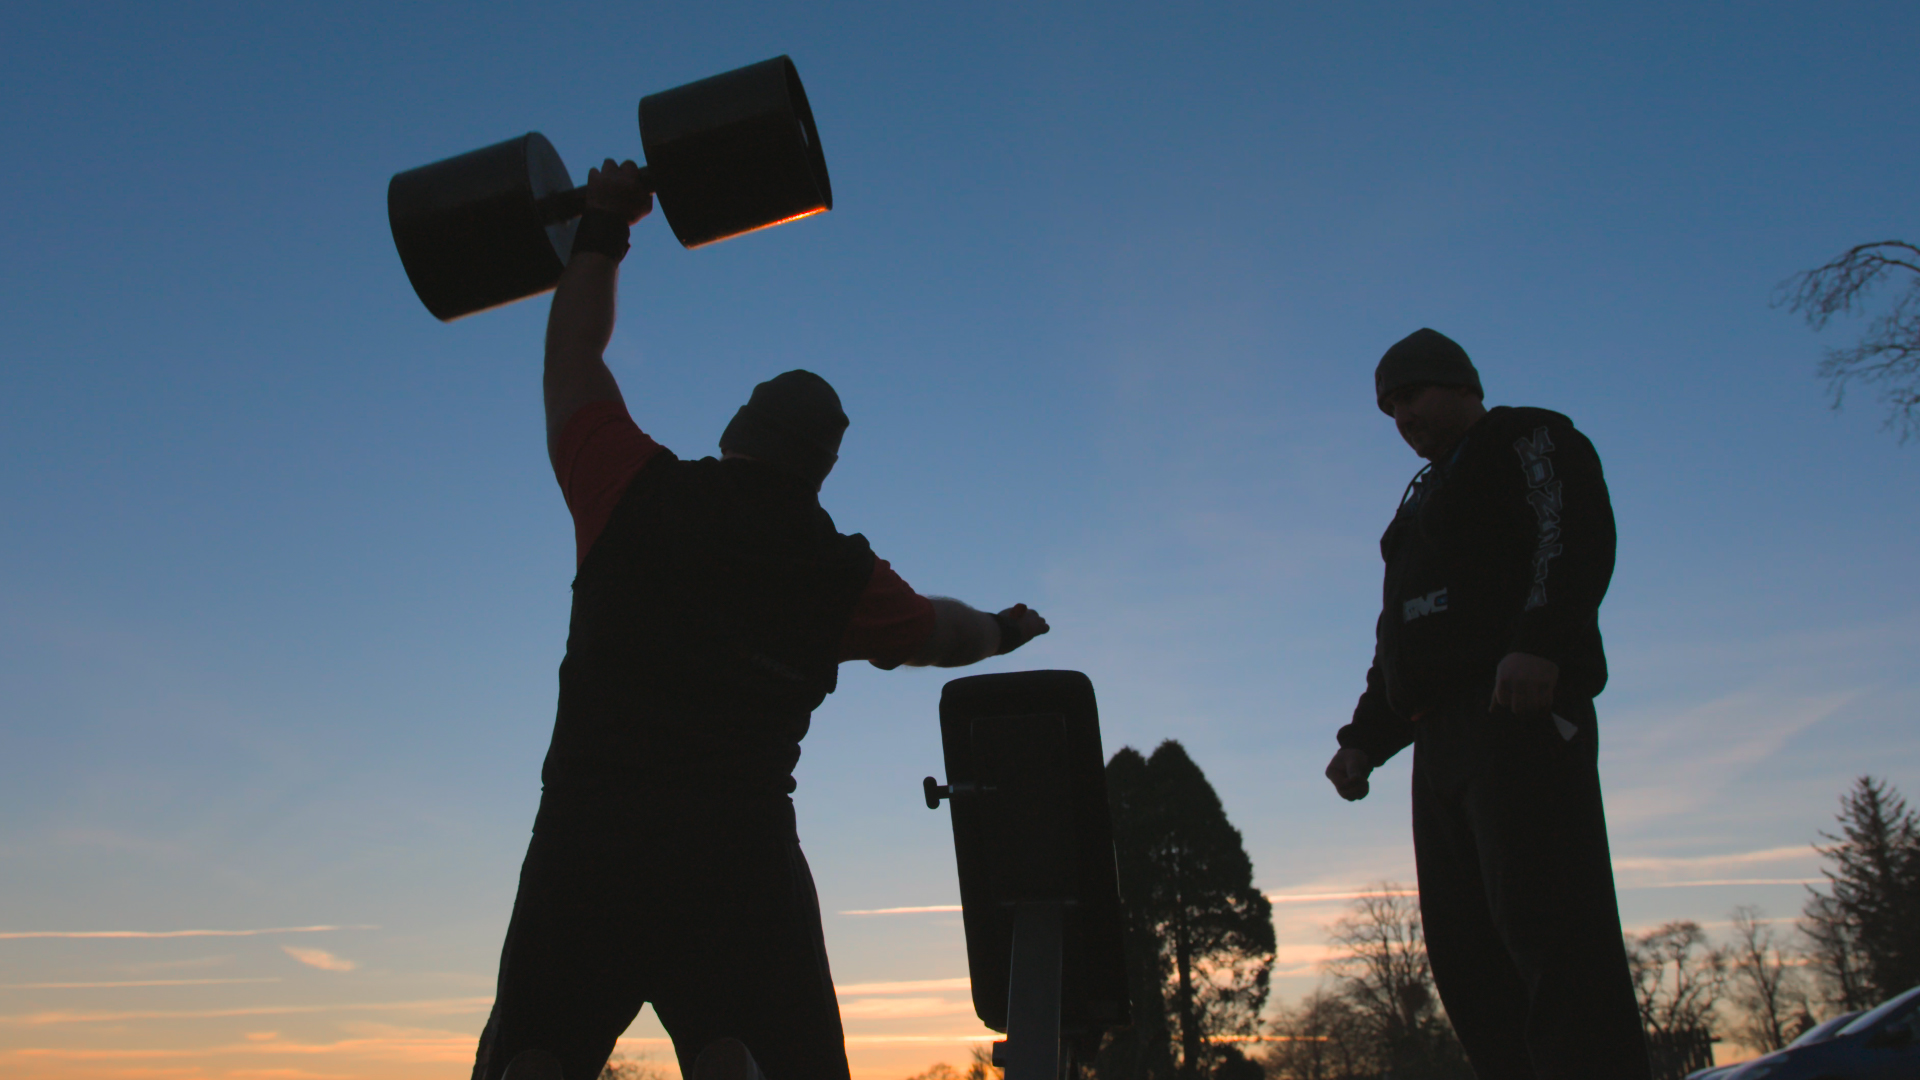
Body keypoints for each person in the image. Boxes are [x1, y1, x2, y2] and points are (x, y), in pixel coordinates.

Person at [471, 160, 1051, 1080]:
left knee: (533, 1059)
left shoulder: (629, 490)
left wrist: (605, 226)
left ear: (737, 429)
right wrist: (1005, 629)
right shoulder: (844, 578)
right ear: (821, 470)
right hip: (735, 859)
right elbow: (946, 636)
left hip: (588, 842)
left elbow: (572, 359)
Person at [1322, 329, 1649, 1078]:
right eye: (1391, 407)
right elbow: (1400, 635)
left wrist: (1542, 639)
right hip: (1437, 742)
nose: (1404, 416)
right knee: (1465, 954)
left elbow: (1570, 531)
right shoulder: (1419, 501)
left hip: (1518, 712)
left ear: (1464, 386)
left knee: (1551, 930)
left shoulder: (1526, 438)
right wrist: (1364, 737)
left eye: (1415, 395)